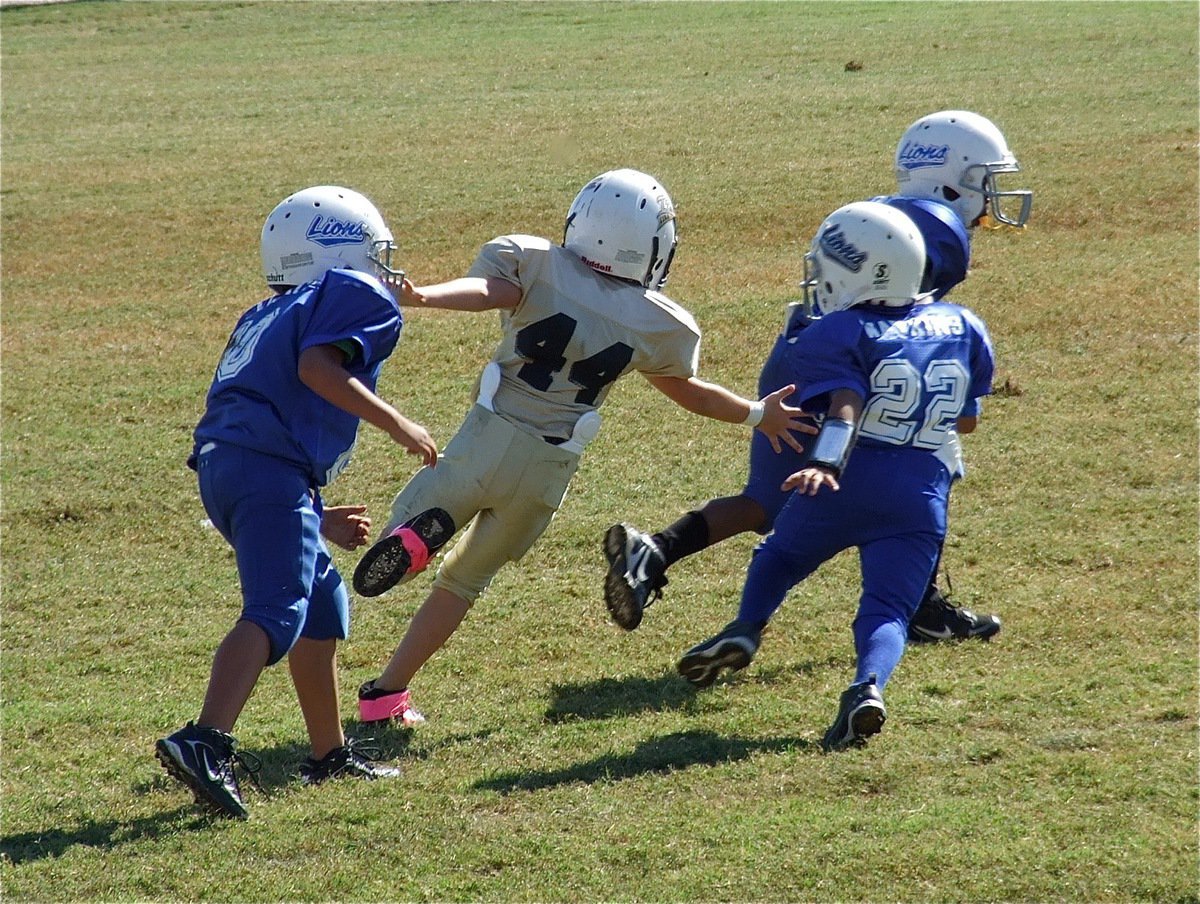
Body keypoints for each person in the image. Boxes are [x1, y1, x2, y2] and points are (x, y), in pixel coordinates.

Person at [349, 168, 814, 727]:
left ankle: (413, 543)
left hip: (485, 439)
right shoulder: (655, 321)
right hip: (547, 469)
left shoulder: (535, 263)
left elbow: (489, 292)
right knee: (466, 582)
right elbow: (689, 392)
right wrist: (759, 413)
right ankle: (386, 693)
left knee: (423, 514)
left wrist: (424, 295)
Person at [602, 109, 1030, 641]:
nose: (992, 195)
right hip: (849, 366)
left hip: (800, 351)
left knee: (768, 501)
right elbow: (907, 326)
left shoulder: (882, 210)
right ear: (956, 174)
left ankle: (657, 549)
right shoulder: (942, 233)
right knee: (925, 466)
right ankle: (919, 607)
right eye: (986, 178)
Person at [155, 186, 438, 819]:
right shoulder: (355, 292)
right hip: (265, 473)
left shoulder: (266, 311)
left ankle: (328, 754)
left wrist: (311, 511)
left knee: (318, 602)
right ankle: (204, 740)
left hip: (232, 468)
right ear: (337, 251)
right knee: (276, 608)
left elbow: (255, 407)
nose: (381, 264)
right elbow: (317, 370)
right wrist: (399, 425)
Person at [675, 200, 995, 751]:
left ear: (860, 271)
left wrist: (823, 462)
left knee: (778, 556)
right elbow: (965, 420)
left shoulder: (837, 331)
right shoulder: (963, 324)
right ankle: (867, 686)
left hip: (851, 478)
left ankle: (745, 628)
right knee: (888, 610)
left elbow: (845, 405)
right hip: (923, 492)